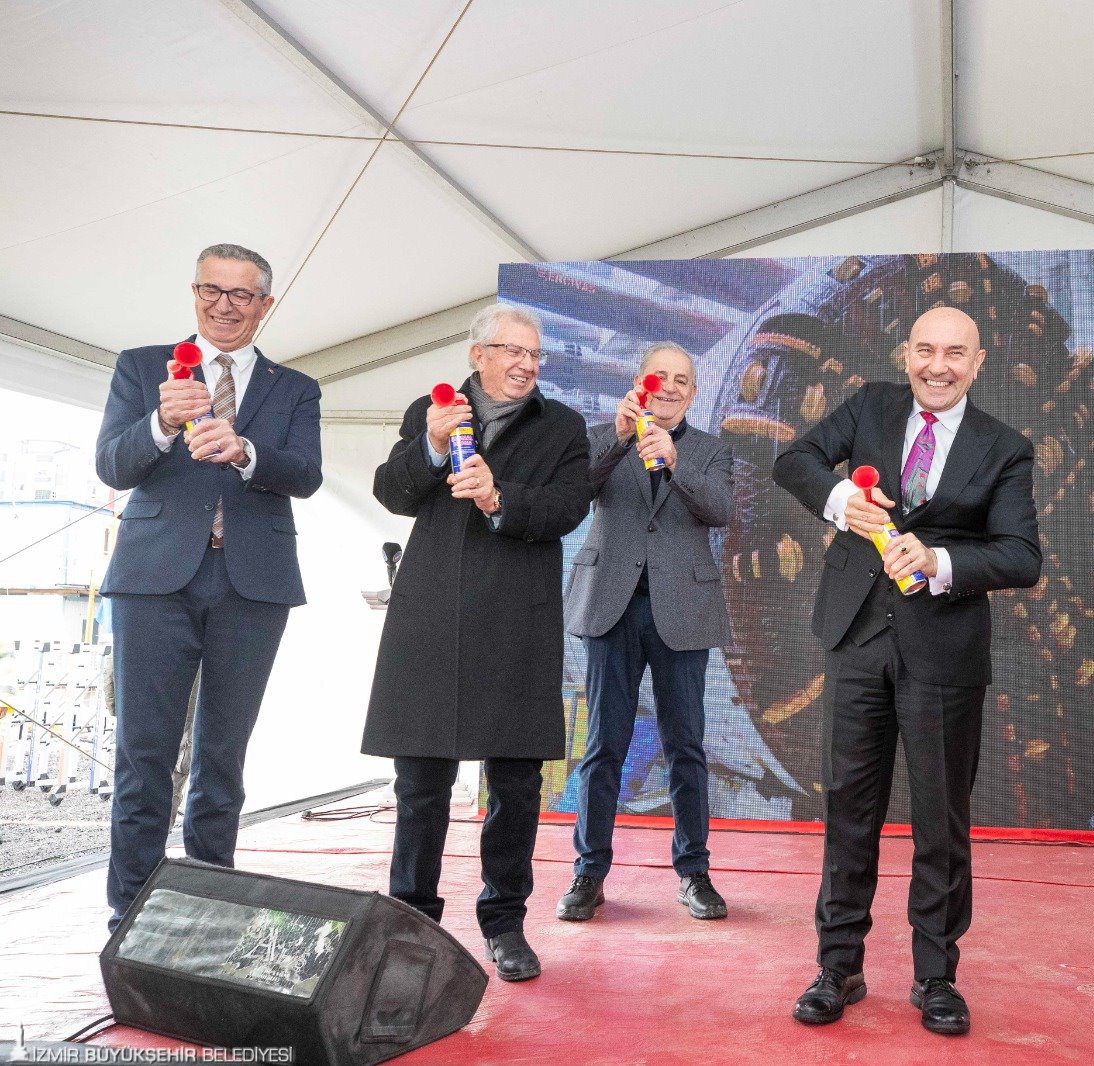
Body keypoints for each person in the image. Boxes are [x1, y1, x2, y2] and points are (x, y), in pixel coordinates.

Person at [772, 306, 1041, 1036]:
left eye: (954, 353)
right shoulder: (871, 404)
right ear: (906, 353)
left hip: (945, 647)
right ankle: (838, 968)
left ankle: (936, 977)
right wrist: (842, 502)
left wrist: (939, 559)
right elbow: (793, 459)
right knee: (848, 810)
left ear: (977, 363)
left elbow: (1022, 557)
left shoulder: (1005, 447)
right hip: (856, 635)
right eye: (925, 350)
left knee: (940, 819)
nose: (937, 366)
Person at [95, 243, 323, 932]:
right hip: (153, 580)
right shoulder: (143, 367)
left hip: (253, 584)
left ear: (265, 304)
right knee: (144, 753)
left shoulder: (295, 387)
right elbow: (112, 466)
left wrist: (249, 453)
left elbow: (306, 475)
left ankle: (211, 903)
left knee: (223, 757)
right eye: (211, 291)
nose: (224, 306)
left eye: (241, 295)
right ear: (194, 292)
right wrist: (160, 424)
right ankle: (131, 913)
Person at [361, 302, 590, 982]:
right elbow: (392, 492)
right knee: (420, 785)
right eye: (512, 351)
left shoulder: (563, 426)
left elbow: (569, 507)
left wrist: (499, 498)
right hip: (431, 618)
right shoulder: (430, 411)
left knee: (515, 786)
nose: (525, 364)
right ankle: (412, 923)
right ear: (478, 355)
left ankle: (505, 922)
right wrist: (430, 448)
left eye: (534, 354)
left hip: (518, 621)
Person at [558, 343, 735, 922]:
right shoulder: (600, 436)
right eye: (662, 377)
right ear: (640, 383)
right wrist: (619, 439)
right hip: (611, 607)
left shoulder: (710, 450)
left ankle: (694, 872)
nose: (672, 387)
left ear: (694, 392)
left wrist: (676, 463)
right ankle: (588, 873)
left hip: (682, 610)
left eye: (683, 380)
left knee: (686, 746)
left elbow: (721, 510)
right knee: (603, 745)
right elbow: (575, 491)